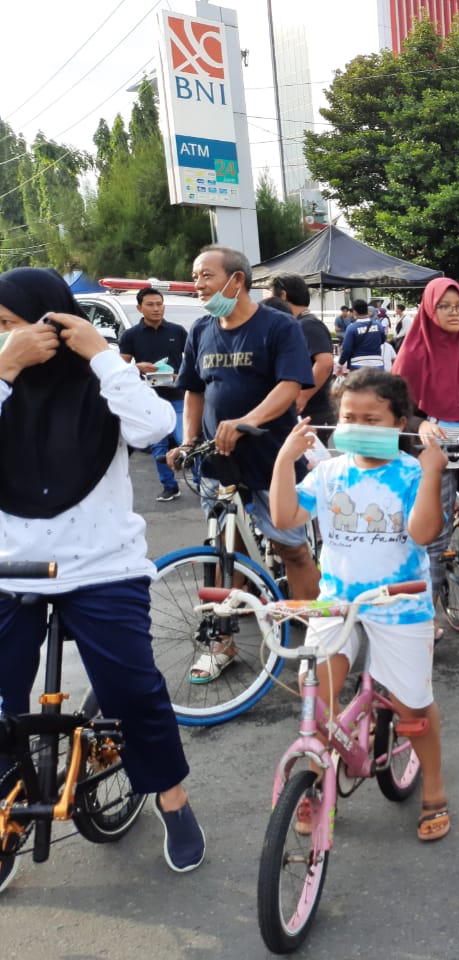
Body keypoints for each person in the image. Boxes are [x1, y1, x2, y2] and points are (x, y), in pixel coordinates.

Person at [0, 267, 206, 876]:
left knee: (133, 694)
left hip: (100, 567)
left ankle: (172, 800)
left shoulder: (101, 379)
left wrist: (102, 355)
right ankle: (7, 812)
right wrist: (5, 369)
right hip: (12, 570)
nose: (5, 337)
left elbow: (156, 427)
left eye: (12, 325)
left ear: (54, 325)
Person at [268, 369, 450, 840]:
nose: (358, 426)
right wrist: (285, 460)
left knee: (413, 707)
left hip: (400, 606)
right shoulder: (328, 471)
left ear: (398, 424)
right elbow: (285, 516)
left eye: (372, 418)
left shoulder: (411, 472)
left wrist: (432, 472)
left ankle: (434, 786)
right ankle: (311, 785)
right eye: (349, 417)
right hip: (337, 604)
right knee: (317, 704)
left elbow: (424, 534)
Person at [168, 244, 321, 682]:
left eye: (206, 276)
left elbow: (291, 384)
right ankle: (222, 644)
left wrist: (246, 421)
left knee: (291, 547)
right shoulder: (200, 330)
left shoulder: (277, 326)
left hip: (272, 458)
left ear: (237, 280)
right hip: (218, 465)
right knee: (221, 552)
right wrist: (188, 440)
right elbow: (194, 390)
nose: (198, 285)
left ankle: (315, 635)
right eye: (195, 276)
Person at [392, 277, 459, 633]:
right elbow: (397, 403)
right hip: (433, 448)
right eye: (445, 306)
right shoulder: (414, 351)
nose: (454, 313)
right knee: (433, 535)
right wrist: (420, 424)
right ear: (429, 309)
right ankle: (426, 616)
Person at [117, 286, 188, 501]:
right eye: (150, 304)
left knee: (185, 440)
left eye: (159, 304)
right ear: (140, 308)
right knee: (159, 447)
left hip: (178, 396)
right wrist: (138, 367)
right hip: (149, 399)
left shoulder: (177, 331)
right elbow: (120, 368)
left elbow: (192, 361)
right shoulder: (131, 336)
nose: (156, 309)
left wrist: (180, 375)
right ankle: (170, 486)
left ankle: (204, 483)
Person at [270, 273, 336, 426]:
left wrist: (303, 395)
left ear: (283, 296)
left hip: (313, 411)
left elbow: (325, 362)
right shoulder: (300, 323)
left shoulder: (307, 324)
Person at [340, 298, 386, 370]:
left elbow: (346, 349)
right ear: (367, 310)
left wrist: (340, 364)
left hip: (357, 365)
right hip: (377, 364)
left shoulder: (351, 328)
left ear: (355, 312)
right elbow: (383, 340)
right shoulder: (378, 325)